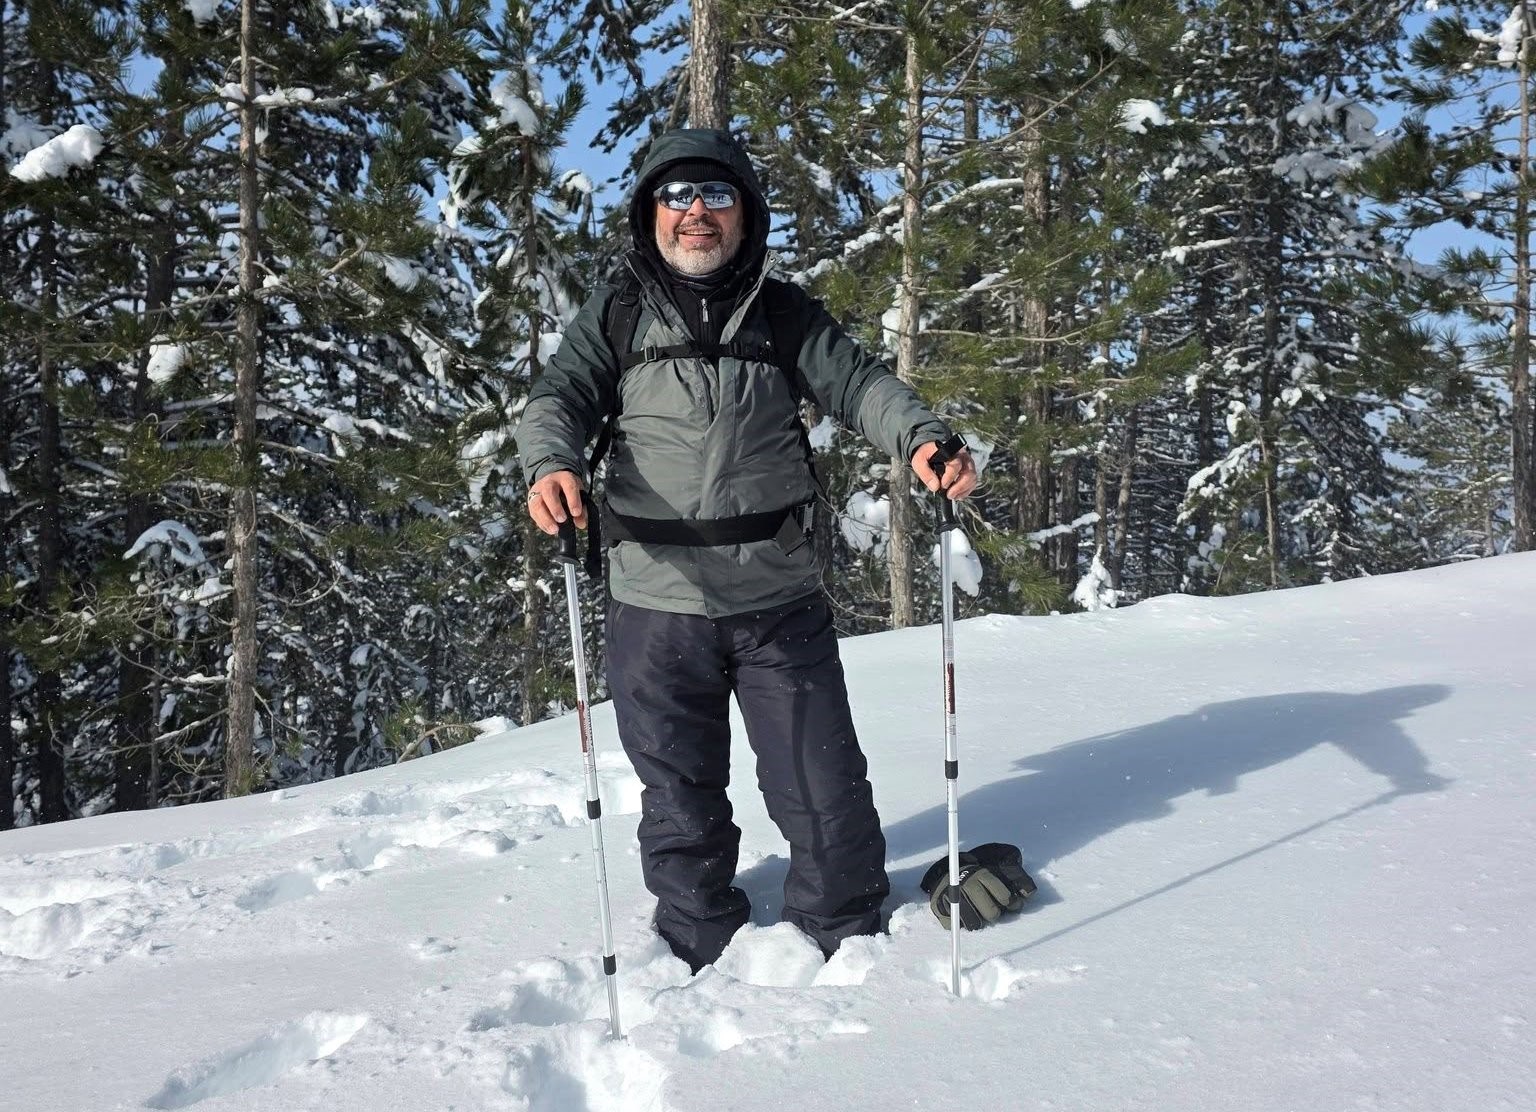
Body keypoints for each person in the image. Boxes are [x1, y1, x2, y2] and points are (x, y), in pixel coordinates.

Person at [516, 127, 976, 972]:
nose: (698, 215)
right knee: (678, 799)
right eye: (679, 197)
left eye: (717, 197)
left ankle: (850, 944)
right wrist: (550, 464)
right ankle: (694, 946)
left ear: (746, 213)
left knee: (821, 784)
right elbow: (558, 401)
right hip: (654, 605)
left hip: (777, 598)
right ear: (650, 212)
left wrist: (920, 437)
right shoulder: (615, 314)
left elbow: (861, 384)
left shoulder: (783, 311)